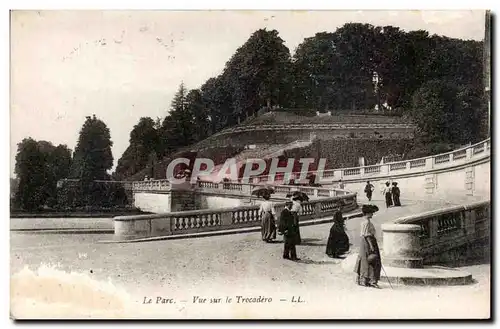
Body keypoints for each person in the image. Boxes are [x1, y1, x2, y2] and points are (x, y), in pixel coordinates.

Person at [353, 204, 382, 288]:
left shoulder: (364, 222)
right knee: (372, 260)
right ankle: (372, 281)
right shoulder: (367, 223)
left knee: (365, 260)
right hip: (368, 242)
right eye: (371, 213)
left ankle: (364, 280)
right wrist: (371, 246)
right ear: (367, 213)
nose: (372, 214)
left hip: (364, 243)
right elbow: (367, 235)